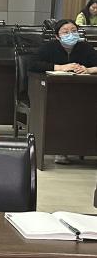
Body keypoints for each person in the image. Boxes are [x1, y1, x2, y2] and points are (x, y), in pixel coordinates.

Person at [31, 19, 97, 164]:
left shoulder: (85, 47)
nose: (71, 34)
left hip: (82, 91)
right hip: (54, 92)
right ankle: (61, 149)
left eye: (74, 31)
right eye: (65, 32)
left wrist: (88, 70)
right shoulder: (49, 47)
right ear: (57, 36)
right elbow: (33, 64)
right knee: (63, 108)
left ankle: (86, 147)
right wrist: (60, 67)